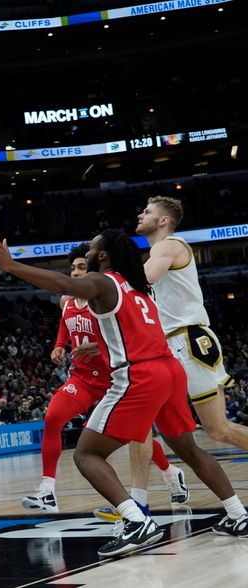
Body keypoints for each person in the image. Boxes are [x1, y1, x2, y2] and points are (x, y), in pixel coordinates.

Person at [0, 230, 248, 556]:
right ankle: (238, 514)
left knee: (87, 453)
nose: (88, 253)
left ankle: (137, 522)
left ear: (104, 255)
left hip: (140, 376)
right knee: (189, 449)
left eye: (93, 249)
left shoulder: (105, 281)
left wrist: (12, 267)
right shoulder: (140, 288)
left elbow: (65, 285)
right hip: (170, 371)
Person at [101, 196, 248, 524]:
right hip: (162, 349)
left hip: (188, 340)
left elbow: (140, 283)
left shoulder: (170, 245)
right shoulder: (155, 251)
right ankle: (138, 503)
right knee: (141, 425)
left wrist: (98, 281)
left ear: (164, 220)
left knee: (219, 430)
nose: (141, 214)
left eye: (148, 211)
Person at [22, 244, 187, 514]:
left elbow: (126, 332)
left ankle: (170, 472)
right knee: (52, 417)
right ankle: (47, 490)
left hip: (116, 378)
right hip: (84, 378)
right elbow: (66, 326)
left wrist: (97, 345)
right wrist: (60, 345)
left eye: (81, 267)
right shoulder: (66, 301)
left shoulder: (106, 295)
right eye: (73, 268)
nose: (75, 273)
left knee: (136, 438)